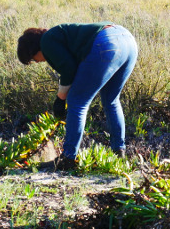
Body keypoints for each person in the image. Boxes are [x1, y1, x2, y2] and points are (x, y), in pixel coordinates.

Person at [16, 23, 138, 163]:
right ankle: (119, 153)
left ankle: (68, 158)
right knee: (111, 100)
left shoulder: (46, 41)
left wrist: (60, 100)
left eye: (33, 60)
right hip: (128, 41)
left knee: (77, 102)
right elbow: (75, 72)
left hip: (107, 43)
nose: (37, 62)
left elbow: (69, 69)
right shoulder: (58, 36)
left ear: (33, 50)